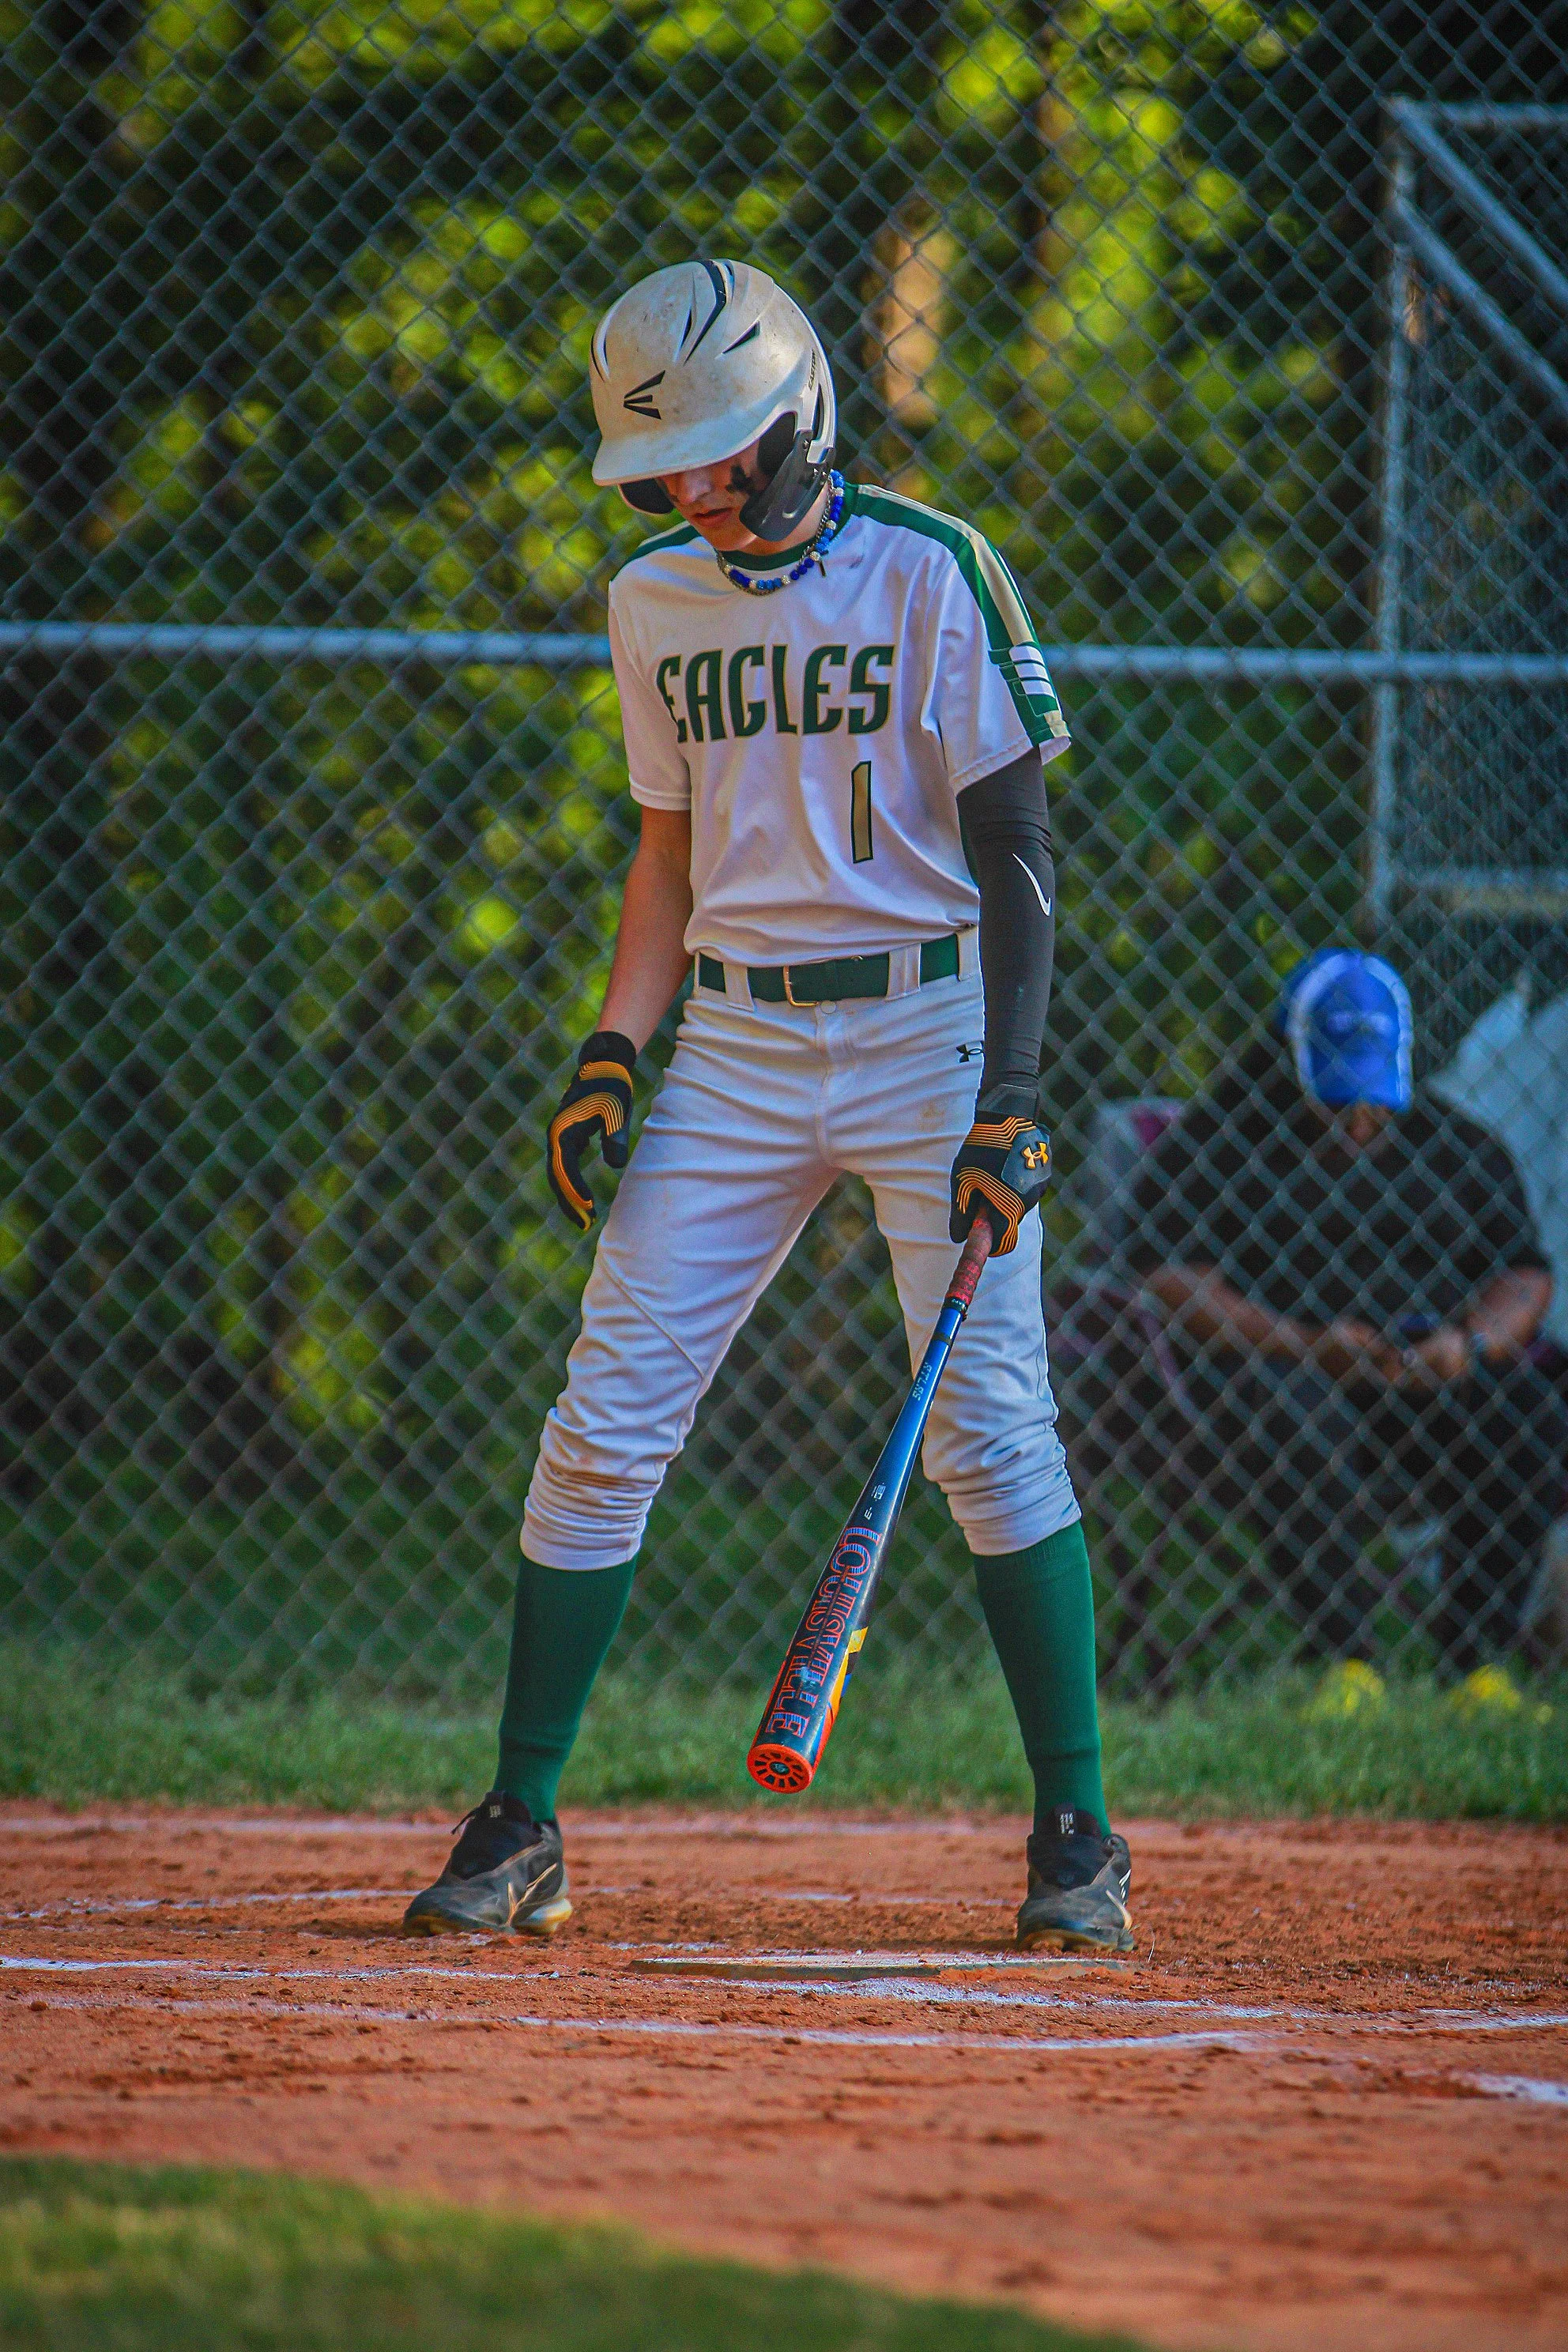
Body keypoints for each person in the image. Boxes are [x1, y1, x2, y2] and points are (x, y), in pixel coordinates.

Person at [402, 258, 1133, 1953]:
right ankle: (521, 1824)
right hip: (730, 1047)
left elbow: (1015, 853)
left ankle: (1077, 1833)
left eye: (724, 457)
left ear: (801, 419)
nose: (696, 493)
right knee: (602, 1421)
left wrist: (1011, 1096)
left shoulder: (932, 570)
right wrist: (611, 1049)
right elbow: (670, 851)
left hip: (926, 1033)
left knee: (986, 1428)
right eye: (669, 472)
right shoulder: (650, 601)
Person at [1129, 949, 1564, 1666]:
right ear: (1288, 1062)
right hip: (1279, 1373)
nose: (1359, 1123)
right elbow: (1169, 1278)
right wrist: (1303, 1343)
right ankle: (1346, 1664)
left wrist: (1471, 1346)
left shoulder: (1457, 1147)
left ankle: (1475, 1663)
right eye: (1335, 1101)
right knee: (1292, 1416)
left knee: (1526, 1413)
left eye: (1375, 1101)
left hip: (1425, 1376)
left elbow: (1522, 1274)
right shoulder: (1216, 1144)